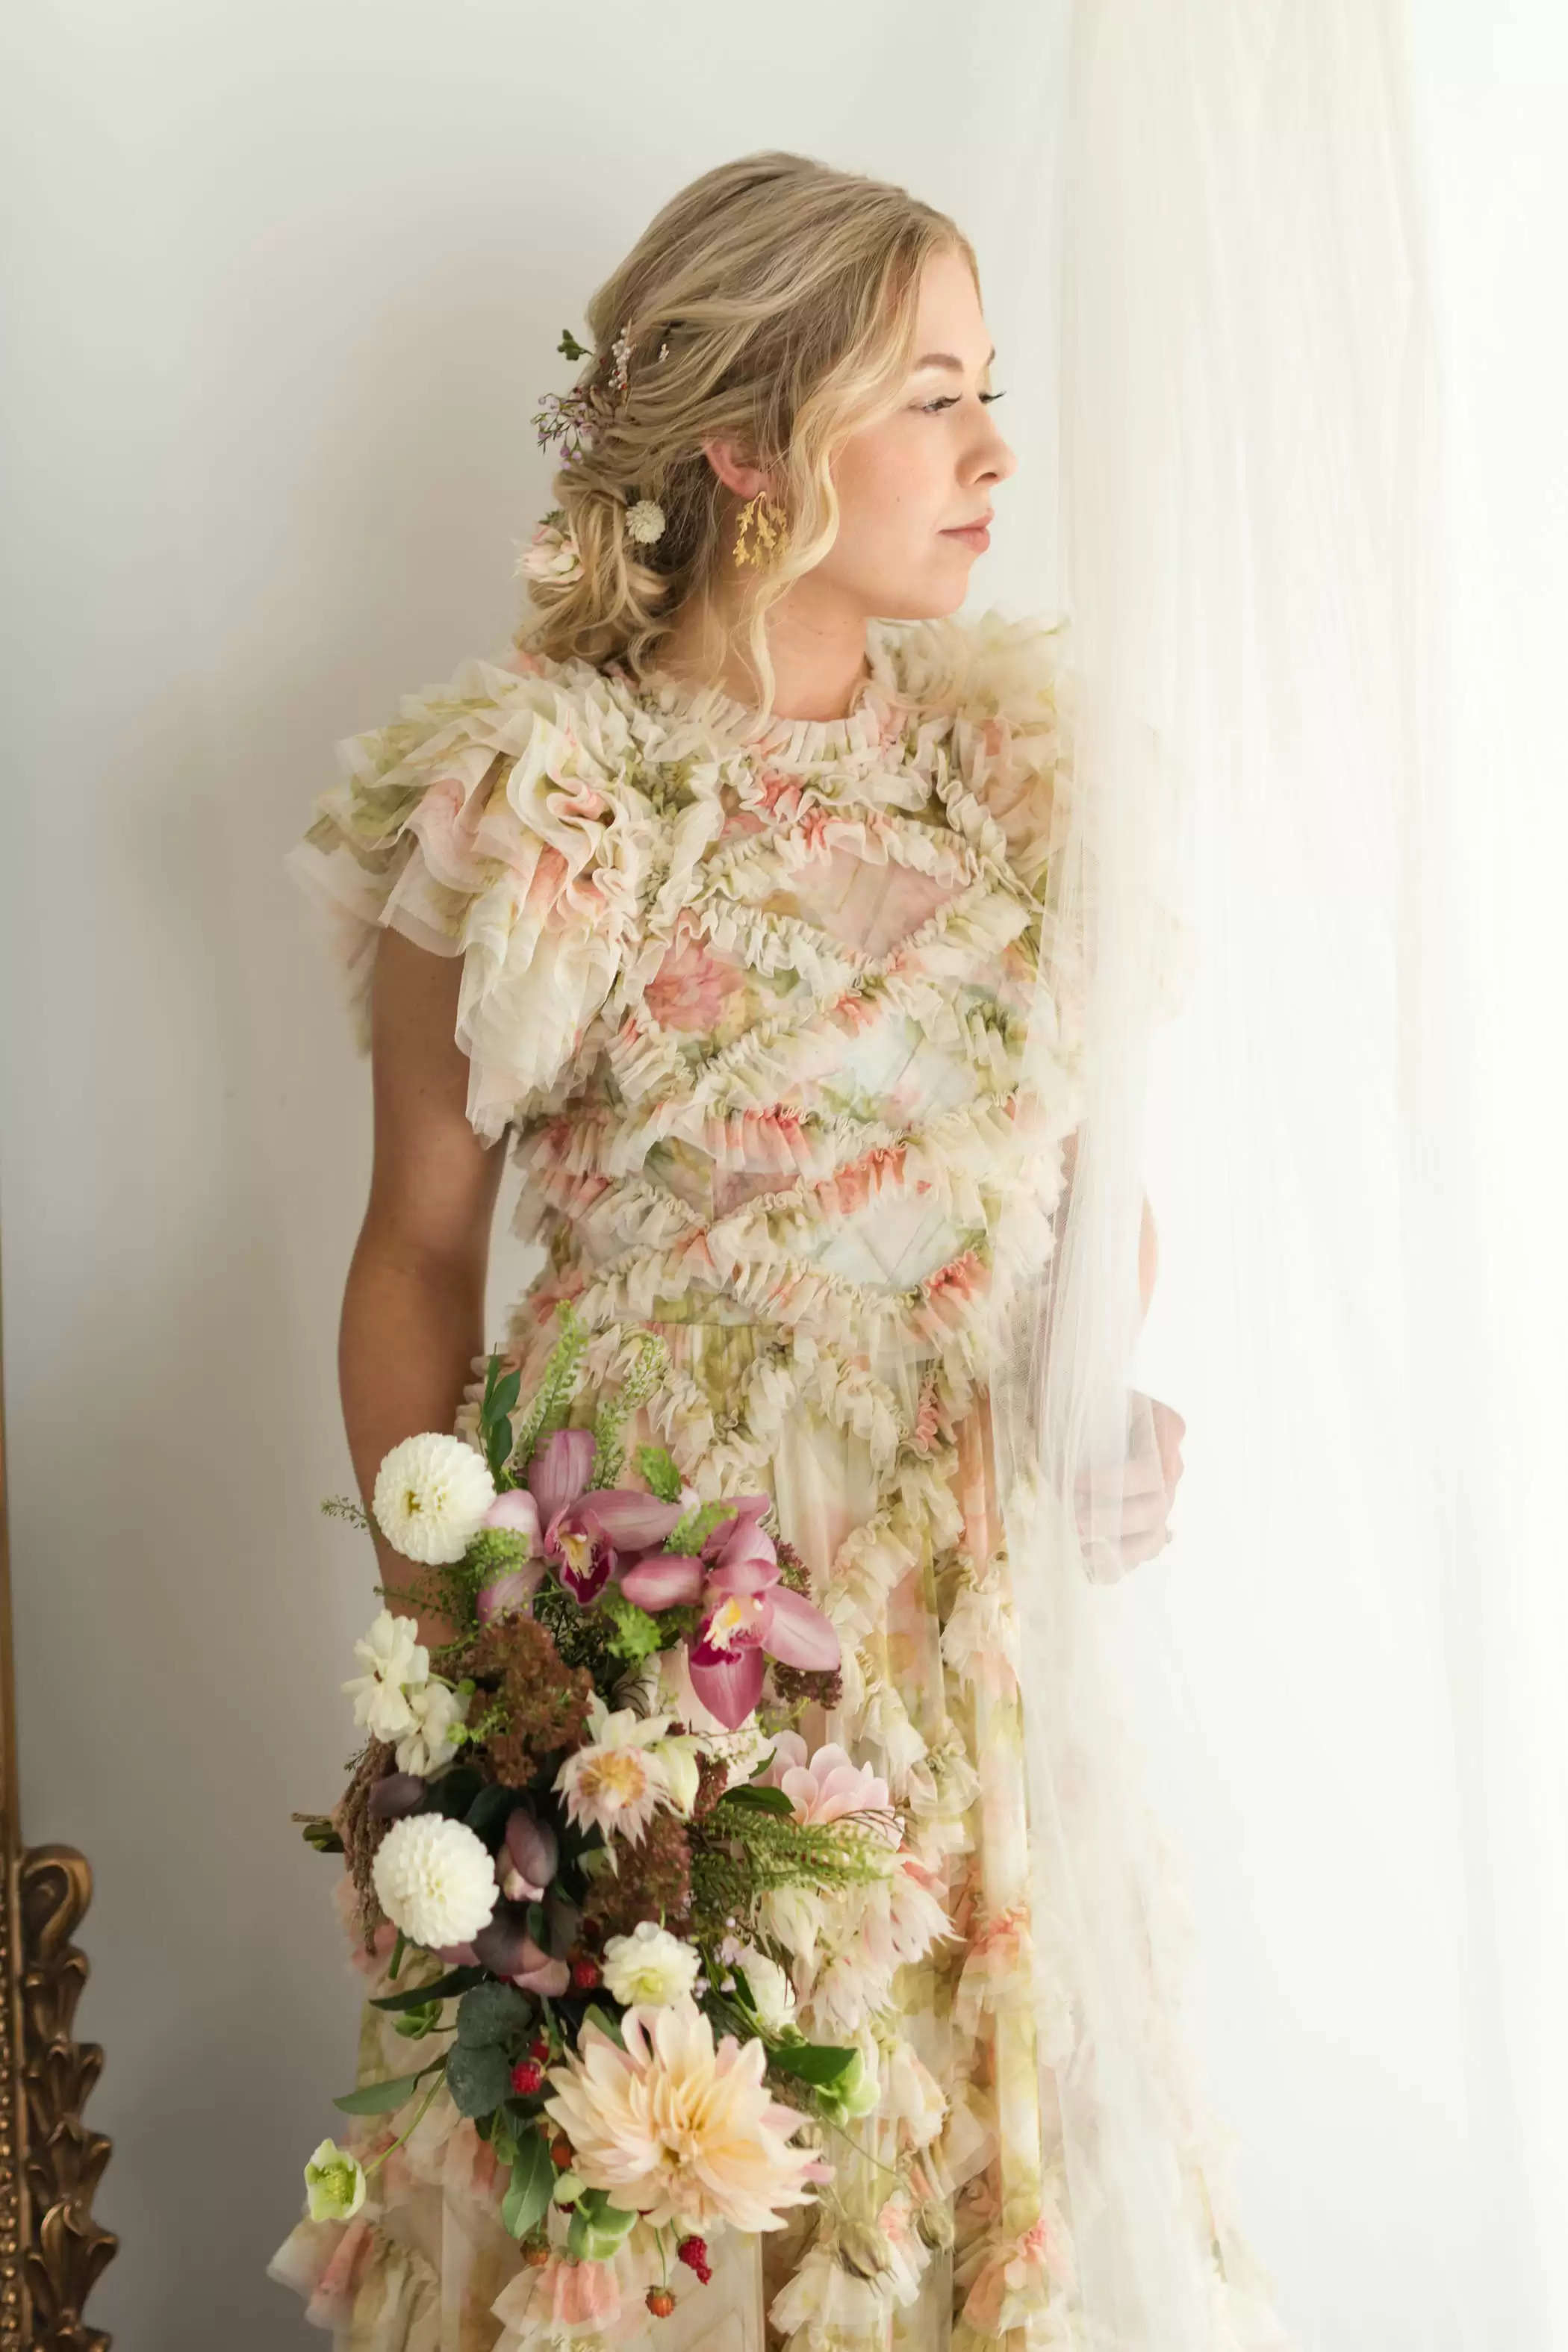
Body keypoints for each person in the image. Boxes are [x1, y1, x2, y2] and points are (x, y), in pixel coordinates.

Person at [270, 151, 1284, 2352]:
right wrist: (467, 1675)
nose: (995, 448)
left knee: (948, 2182)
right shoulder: (543, 800)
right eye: (933, 395)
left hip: (960, 1601)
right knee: (681, 2200)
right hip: (661, 1612)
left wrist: (1103, 1397)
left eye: (987, 390)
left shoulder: (1024, 780)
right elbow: (418, 1259)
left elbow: (1078, 1195)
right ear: (747, 450)